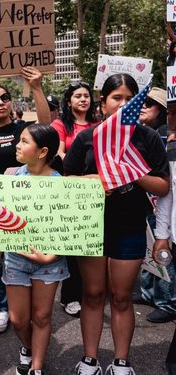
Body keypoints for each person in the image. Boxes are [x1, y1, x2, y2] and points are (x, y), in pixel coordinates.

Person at [64, 73, 170, 375]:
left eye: (130, 98)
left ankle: (121, 361)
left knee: (122, 297)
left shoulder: (147, 137)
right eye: (116, 98)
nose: (123, 104)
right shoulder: (87, 138)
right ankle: (90, 359)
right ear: (103, 102)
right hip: (90, 229)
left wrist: (130, 172)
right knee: (93, 294)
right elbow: (65, 180)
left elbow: (163, 186)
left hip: (130, 228)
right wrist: (93, 181)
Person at [0, 124, 69, 375]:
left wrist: (50, 256)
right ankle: (28, 346)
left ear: (42, 151)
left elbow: (67, 226)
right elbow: (1, 218)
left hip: (50, 263)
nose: (17, 145)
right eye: (19, 140)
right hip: (16, 259)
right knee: (18, 319)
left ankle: (37, 367)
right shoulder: (11, 176)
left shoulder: (61, 183)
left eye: (24, 142)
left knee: (42, 317)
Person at [0, 67, 51, 335]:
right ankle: (1, 306)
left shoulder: (23, 129)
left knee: (28, 254)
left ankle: (31, 306)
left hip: (27, 204)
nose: (1, 102)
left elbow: (46, 126)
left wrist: (36, 88)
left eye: (5, 97)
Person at [51, 82, 98, 318]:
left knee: (88, 243)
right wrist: (75, 161)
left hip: (94, 189)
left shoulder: (98, 126)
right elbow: (59, 152)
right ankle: (69, 296)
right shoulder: (61, 125)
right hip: (69, 187)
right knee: (72, 245)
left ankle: (90, 291)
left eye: (86, 96)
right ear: (68, 101)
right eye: (77, 96)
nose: (83, 99)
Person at [135, 87, 176, 323]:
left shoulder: (163, 134)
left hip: (162, 202)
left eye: (149, 103)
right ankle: (148, 293)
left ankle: (167, 302)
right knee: (148, 249)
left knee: (163, 252)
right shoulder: (144, 133)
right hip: (148, 202)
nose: (142, 106)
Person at [153, 101, 176, 375]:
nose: (170, 117)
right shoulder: (171, 148)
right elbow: (166, 194)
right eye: (169, 111)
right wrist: (161, 235)